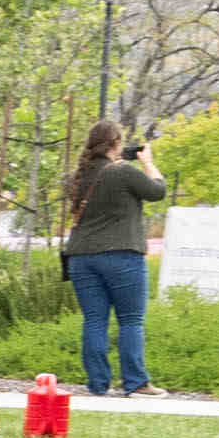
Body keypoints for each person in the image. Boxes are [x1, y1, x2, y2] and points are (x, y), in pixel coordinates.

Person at [59, 117, 162, 399]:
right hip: (121, 255)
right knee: (130, 320)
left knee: (94, 320)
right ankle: (136, 383)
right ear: (116, 144)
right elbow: (157, 191)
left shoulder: (77, 177)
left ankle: (98, 384)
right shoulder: (123, 171)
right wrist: (148, 162)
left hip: (80, 257)